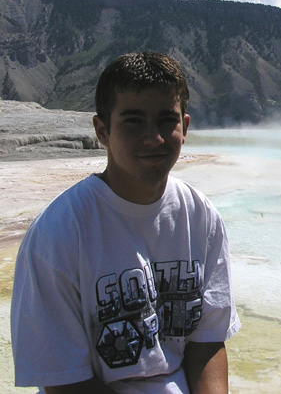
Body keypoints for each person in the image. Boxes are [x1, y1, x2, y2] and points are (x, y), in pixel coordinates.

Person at [11, 52, 241, 393]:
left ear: (186, 127)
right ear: (102, 131)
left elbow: (207, 341)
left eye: (167, 120)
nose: (154, 138)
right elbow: (64, 380)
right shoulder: (58, 233)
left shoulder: (200, 216)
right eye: (133, 121)